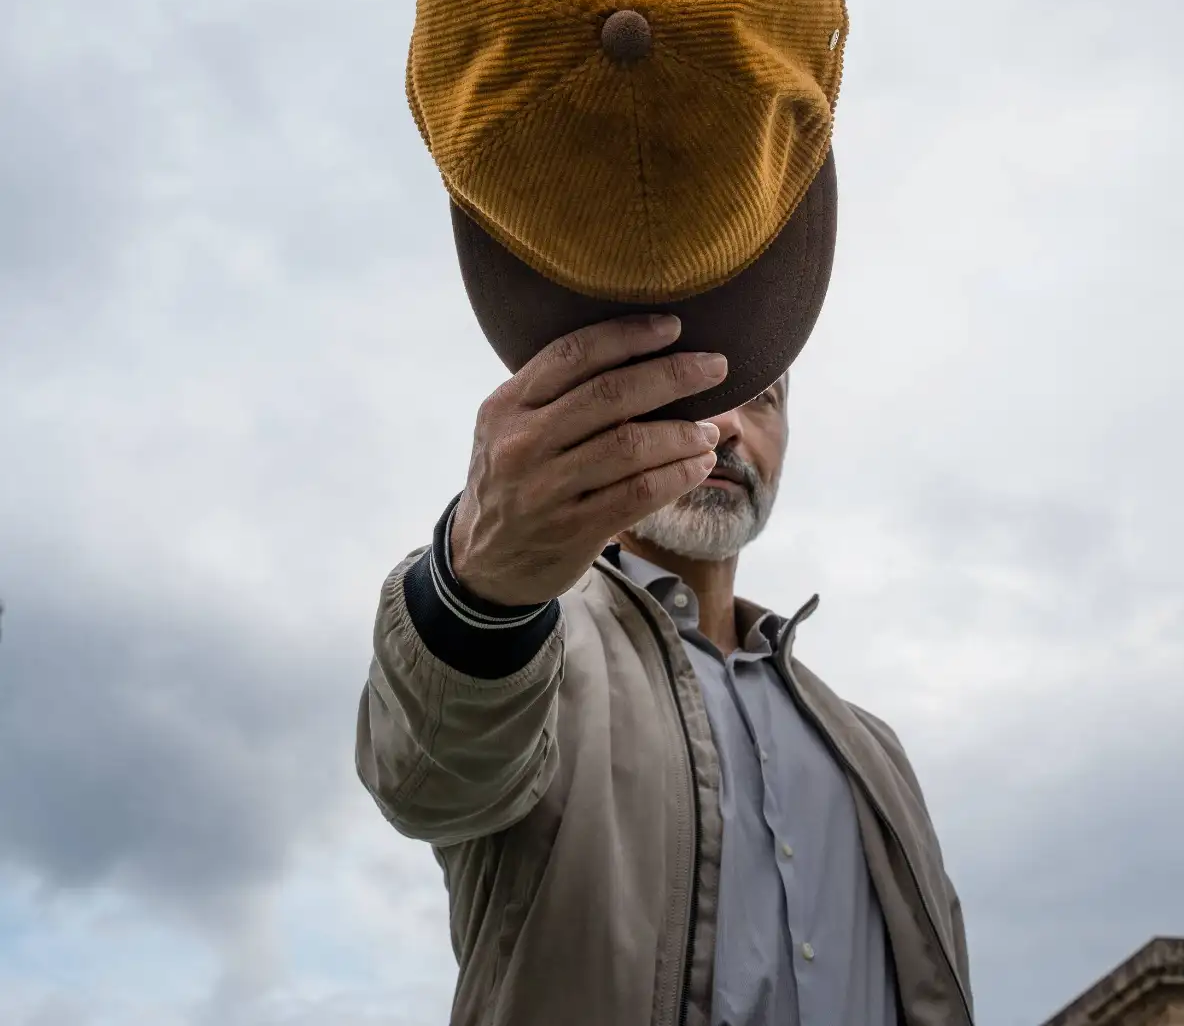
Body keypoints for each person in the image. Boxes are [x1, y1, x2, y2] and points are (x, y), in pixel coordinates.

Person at [356, 313, 974, 1026]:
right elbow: (430, 779)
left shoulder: (874, 750)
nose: (729, 426)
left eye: (762, 396)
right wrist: (484, 590)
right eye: (694, 385)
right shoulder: (532, 650)